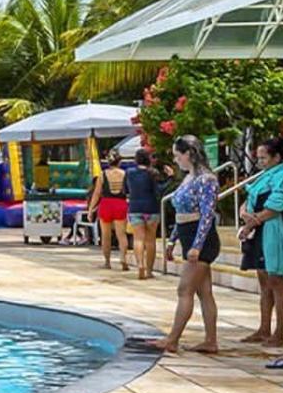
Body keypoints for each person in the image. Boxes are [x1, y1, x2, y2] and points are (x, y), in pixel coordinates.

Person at [150, 135, 221, 355]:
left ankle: (173, 339)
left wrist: (197, 246)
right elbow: (181, 214)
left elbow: (207, 215)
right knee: (204, 292)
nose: (175, 160)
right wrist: (173, 240)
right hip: (188, 234)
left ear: (189, 154)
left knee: (185, 289)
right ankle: (210, 341)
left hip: (201, 239)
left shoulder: (206, 180)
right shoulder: (189, 178)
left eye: (177, 155)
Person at [240, 136, 283, 348]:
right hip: (258, 230)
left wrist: (253, 221)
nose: (260, 162)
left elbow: (278, 203)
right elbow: (250, 198)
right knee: (264, 281)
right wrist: (244, 213)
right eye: (258, 158)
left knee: (276, 280)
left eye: (264, 158)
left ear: (277, 157)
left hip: (271, 230)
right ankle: (264, 328)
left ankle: (279, 332)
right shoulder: (264, 175)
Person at [86, 150, 131, 272]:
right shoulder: (124, 174)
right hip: (120, 204)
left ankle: (107, 262)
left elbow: (97, 193)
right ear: (119, 162)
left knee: (106, 236)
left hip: (106, 204)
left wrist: (90, 210)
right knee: (121, 234)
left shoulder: (103, 175)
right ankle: (123, 258)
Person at [124, 148, 165, 279]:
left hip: (135, 207)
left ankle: (140, 265)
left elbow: (125, 189)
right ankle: (149, 271)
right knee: (150, 241)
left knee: (138, 239)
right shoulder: (153, 173)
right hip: (152, 208)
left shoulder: (129, 173)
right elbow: (159, 191)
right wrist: (170, 178)